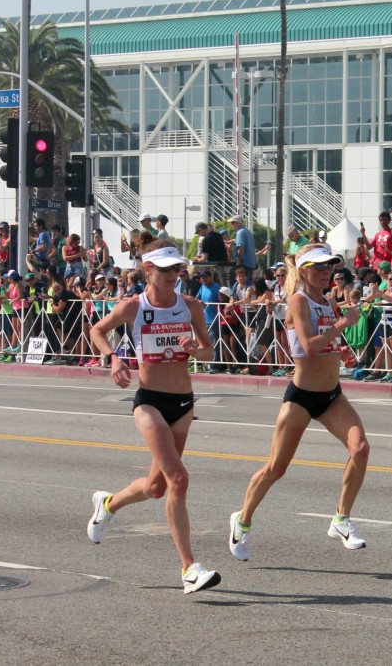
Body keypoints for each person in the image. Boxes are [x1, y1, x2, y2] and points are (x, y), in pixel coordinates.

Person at [88, 240, 220, 595]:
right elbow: (96, 330)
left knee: (156, 486)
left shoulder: (190, 305)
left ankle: (109, 503)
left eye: (176, 269)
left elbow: (208, 348)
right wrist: (113, 358)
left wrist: (198, 348)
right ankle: (189, 568)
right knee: (178, 479)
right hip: (148, 402)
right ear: (148, 270)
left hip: (183, 403)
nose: (172, 276)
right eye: (164, 270)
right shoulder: (134, 306)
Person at [228, 243, 370, 559]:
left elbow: (329, 341)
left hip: (332, 396)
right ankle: (243, 520)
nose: (326, 272)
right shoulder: (297, 300)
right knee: (276, 469)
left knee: (360, 449)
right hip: (302, 397)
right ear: (304, 270)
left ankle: (341, 519)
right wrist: (343, 325)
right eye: (319, 267)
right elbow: (307, 345)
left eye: (329, 266)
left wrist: (342, 348)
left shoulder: (328, 301)